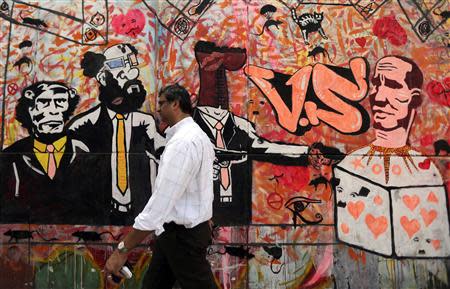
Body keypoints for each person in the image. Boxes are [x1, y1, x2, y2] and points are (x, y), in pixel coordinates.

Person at [105, 84, 217, 289]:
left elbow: (160, 203)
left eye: (162, 103)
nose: (158, 109)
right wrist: (205, 215)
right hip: (177, 233)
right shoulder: (198, 137)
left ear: (176, 104)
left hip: (182, 237)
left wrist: (123, 249)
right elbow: (202, 185)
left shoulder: (182, 144)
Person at [68, 43, 165, 225]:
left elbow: (161, 151)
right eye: (121, 75)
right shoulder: (83, 126)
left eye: (133, 73)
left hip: (139, 218)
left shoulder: (145, 122)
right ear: (103, 78)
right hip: (97, 216)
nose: (130, 82)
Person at [0, 81, 98, 224]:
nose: (53, 110)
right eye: (44, 102)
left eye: (60, 101)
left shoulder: (85, 151)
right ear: (30, 109)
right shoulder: (11, 156)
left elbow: (96, 205)